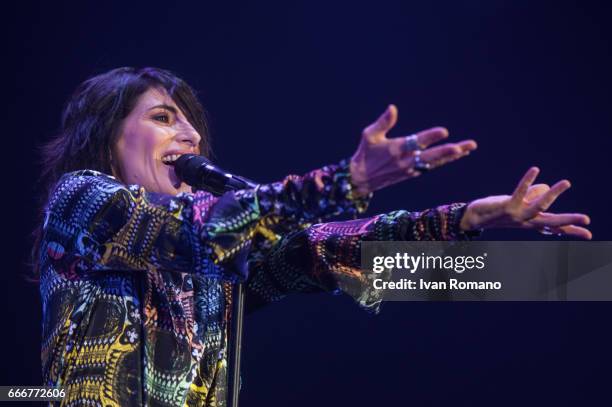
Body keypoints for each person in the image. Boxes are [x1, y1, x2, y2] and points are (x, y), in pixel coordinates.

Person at [34, 67, 591, 407]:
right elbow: (195, 236)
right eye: (163, 117)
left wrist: (465, 219)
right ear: (109, 137)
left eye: (191, 122)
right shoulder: (80, 199)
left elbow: (324, 250)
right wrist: (350, 179)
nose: (191, 134)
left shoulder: (220, 268)